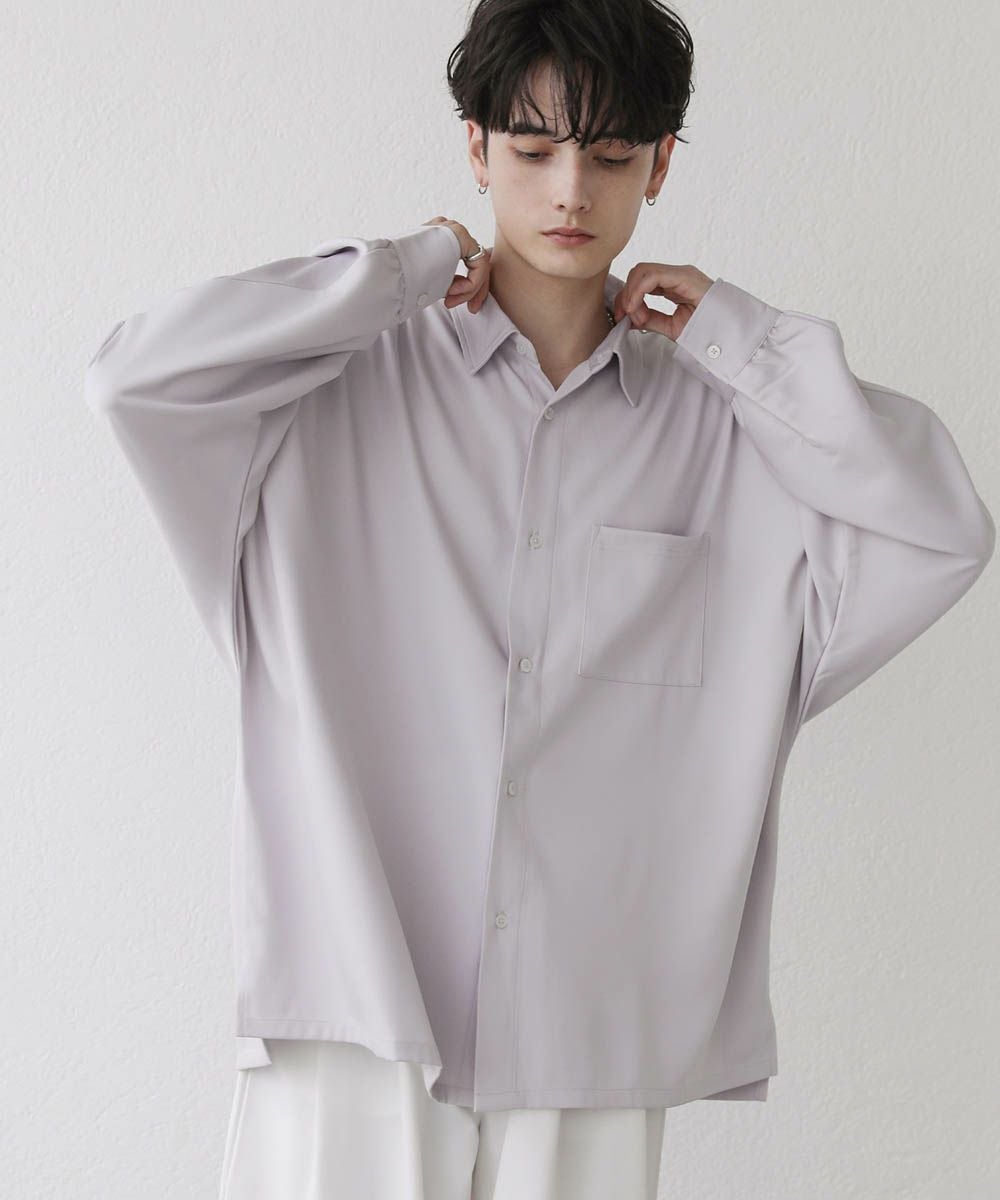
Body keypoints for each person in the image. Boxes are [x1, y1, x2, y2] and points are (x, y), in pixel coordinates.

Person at [83, 1, 995, 1197]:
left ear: (660, 166)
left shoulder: (727, 435)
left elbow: (940, 528)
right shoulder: (327, 397)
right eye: (532, 149)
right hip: (354, 1012)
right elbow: (131, 379)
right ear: (475, 148)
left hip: (588, 1039)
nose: (571, 191)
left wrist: (742, 341)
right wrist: (402, 270)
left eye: (611, 155)